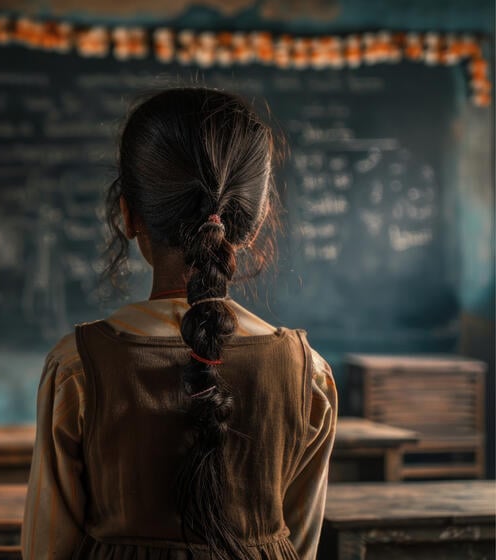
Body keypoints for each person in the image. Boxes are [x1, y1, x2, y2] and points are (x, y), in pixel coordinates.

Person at [22, 88, 337, 560]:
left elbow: (47, 548)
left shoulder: (77, 367)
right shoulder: (306, 371)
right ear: (253, 222)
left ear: (128, 214)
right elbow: (302, 541)